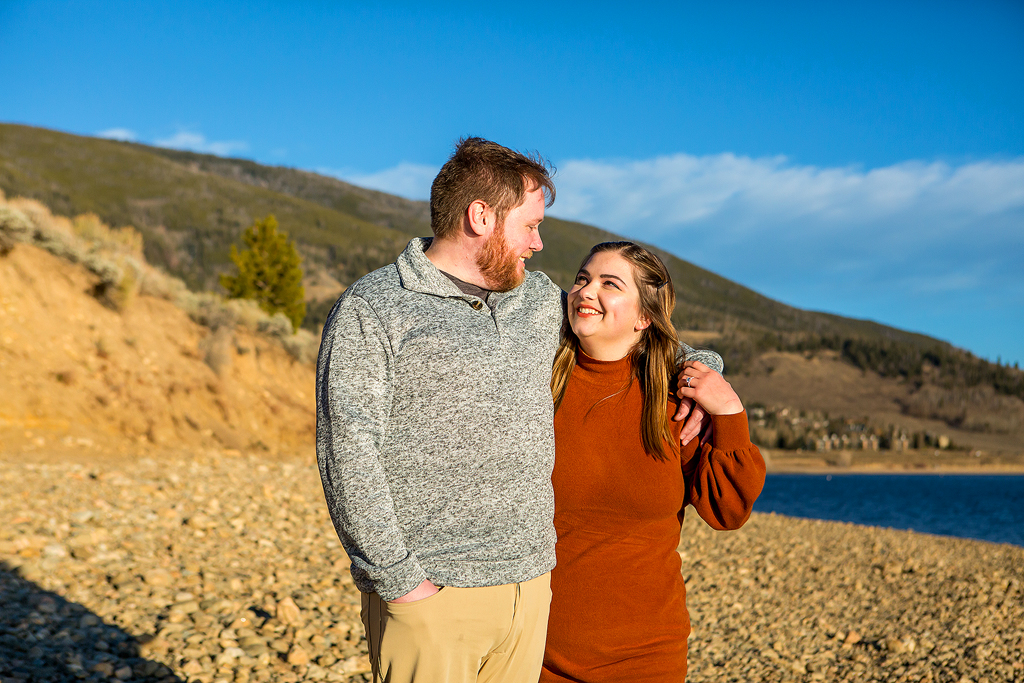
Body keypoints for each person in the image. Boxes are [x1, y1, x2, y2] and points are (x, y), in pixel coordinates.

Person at [316, 138, 720, 683]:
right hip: (432, 594)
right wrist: (401, 582)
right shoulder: (375, 308)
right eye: (529, 225)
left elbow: (625, 327)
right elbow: (346, 454)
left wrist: (701, 369)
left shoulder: (535, 301)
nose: (539, 242)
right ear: (481, 216)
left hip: (532, 595)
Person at [542, 242, 766, 683]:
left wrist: (729, 411)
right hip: (534, 652)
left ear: (645, 317)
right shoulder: (536, 386)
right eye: (583, 279)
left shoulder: (675, 406)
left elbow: (728, 511)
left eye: (610, 284)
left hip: (647, 657)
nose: (586, 291)